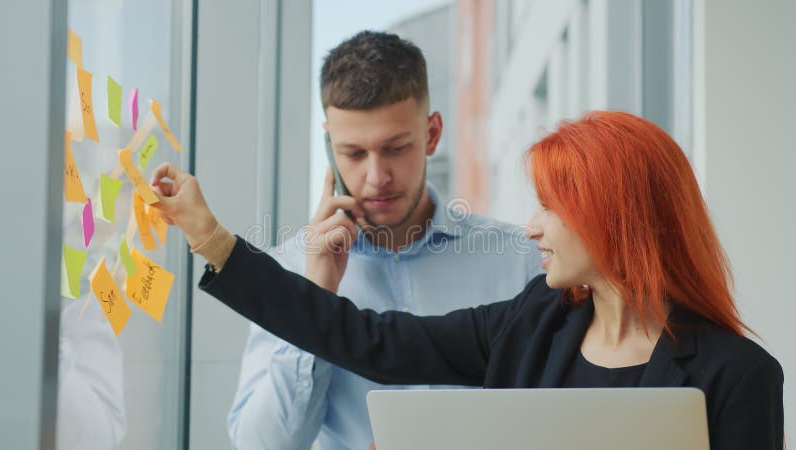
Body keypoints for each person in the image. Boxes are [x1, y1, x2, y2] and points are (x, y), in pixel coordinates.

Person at [151, 110, 784, 450]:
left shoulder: (739, 377)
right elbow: (367, 339)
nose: (532, 228)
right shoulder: (536, 318)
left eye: (551, 208)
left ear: (613, 219)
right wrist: (215, 241)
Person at [215, 30, 541, 449]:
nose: (376, 177)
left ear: (432, 134)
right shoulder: (289, 271)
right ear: (330, 143)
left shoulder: (521, 263)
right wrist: (314, 298)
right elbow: (262, 446)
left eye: (396, 148)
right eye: (353, 154)